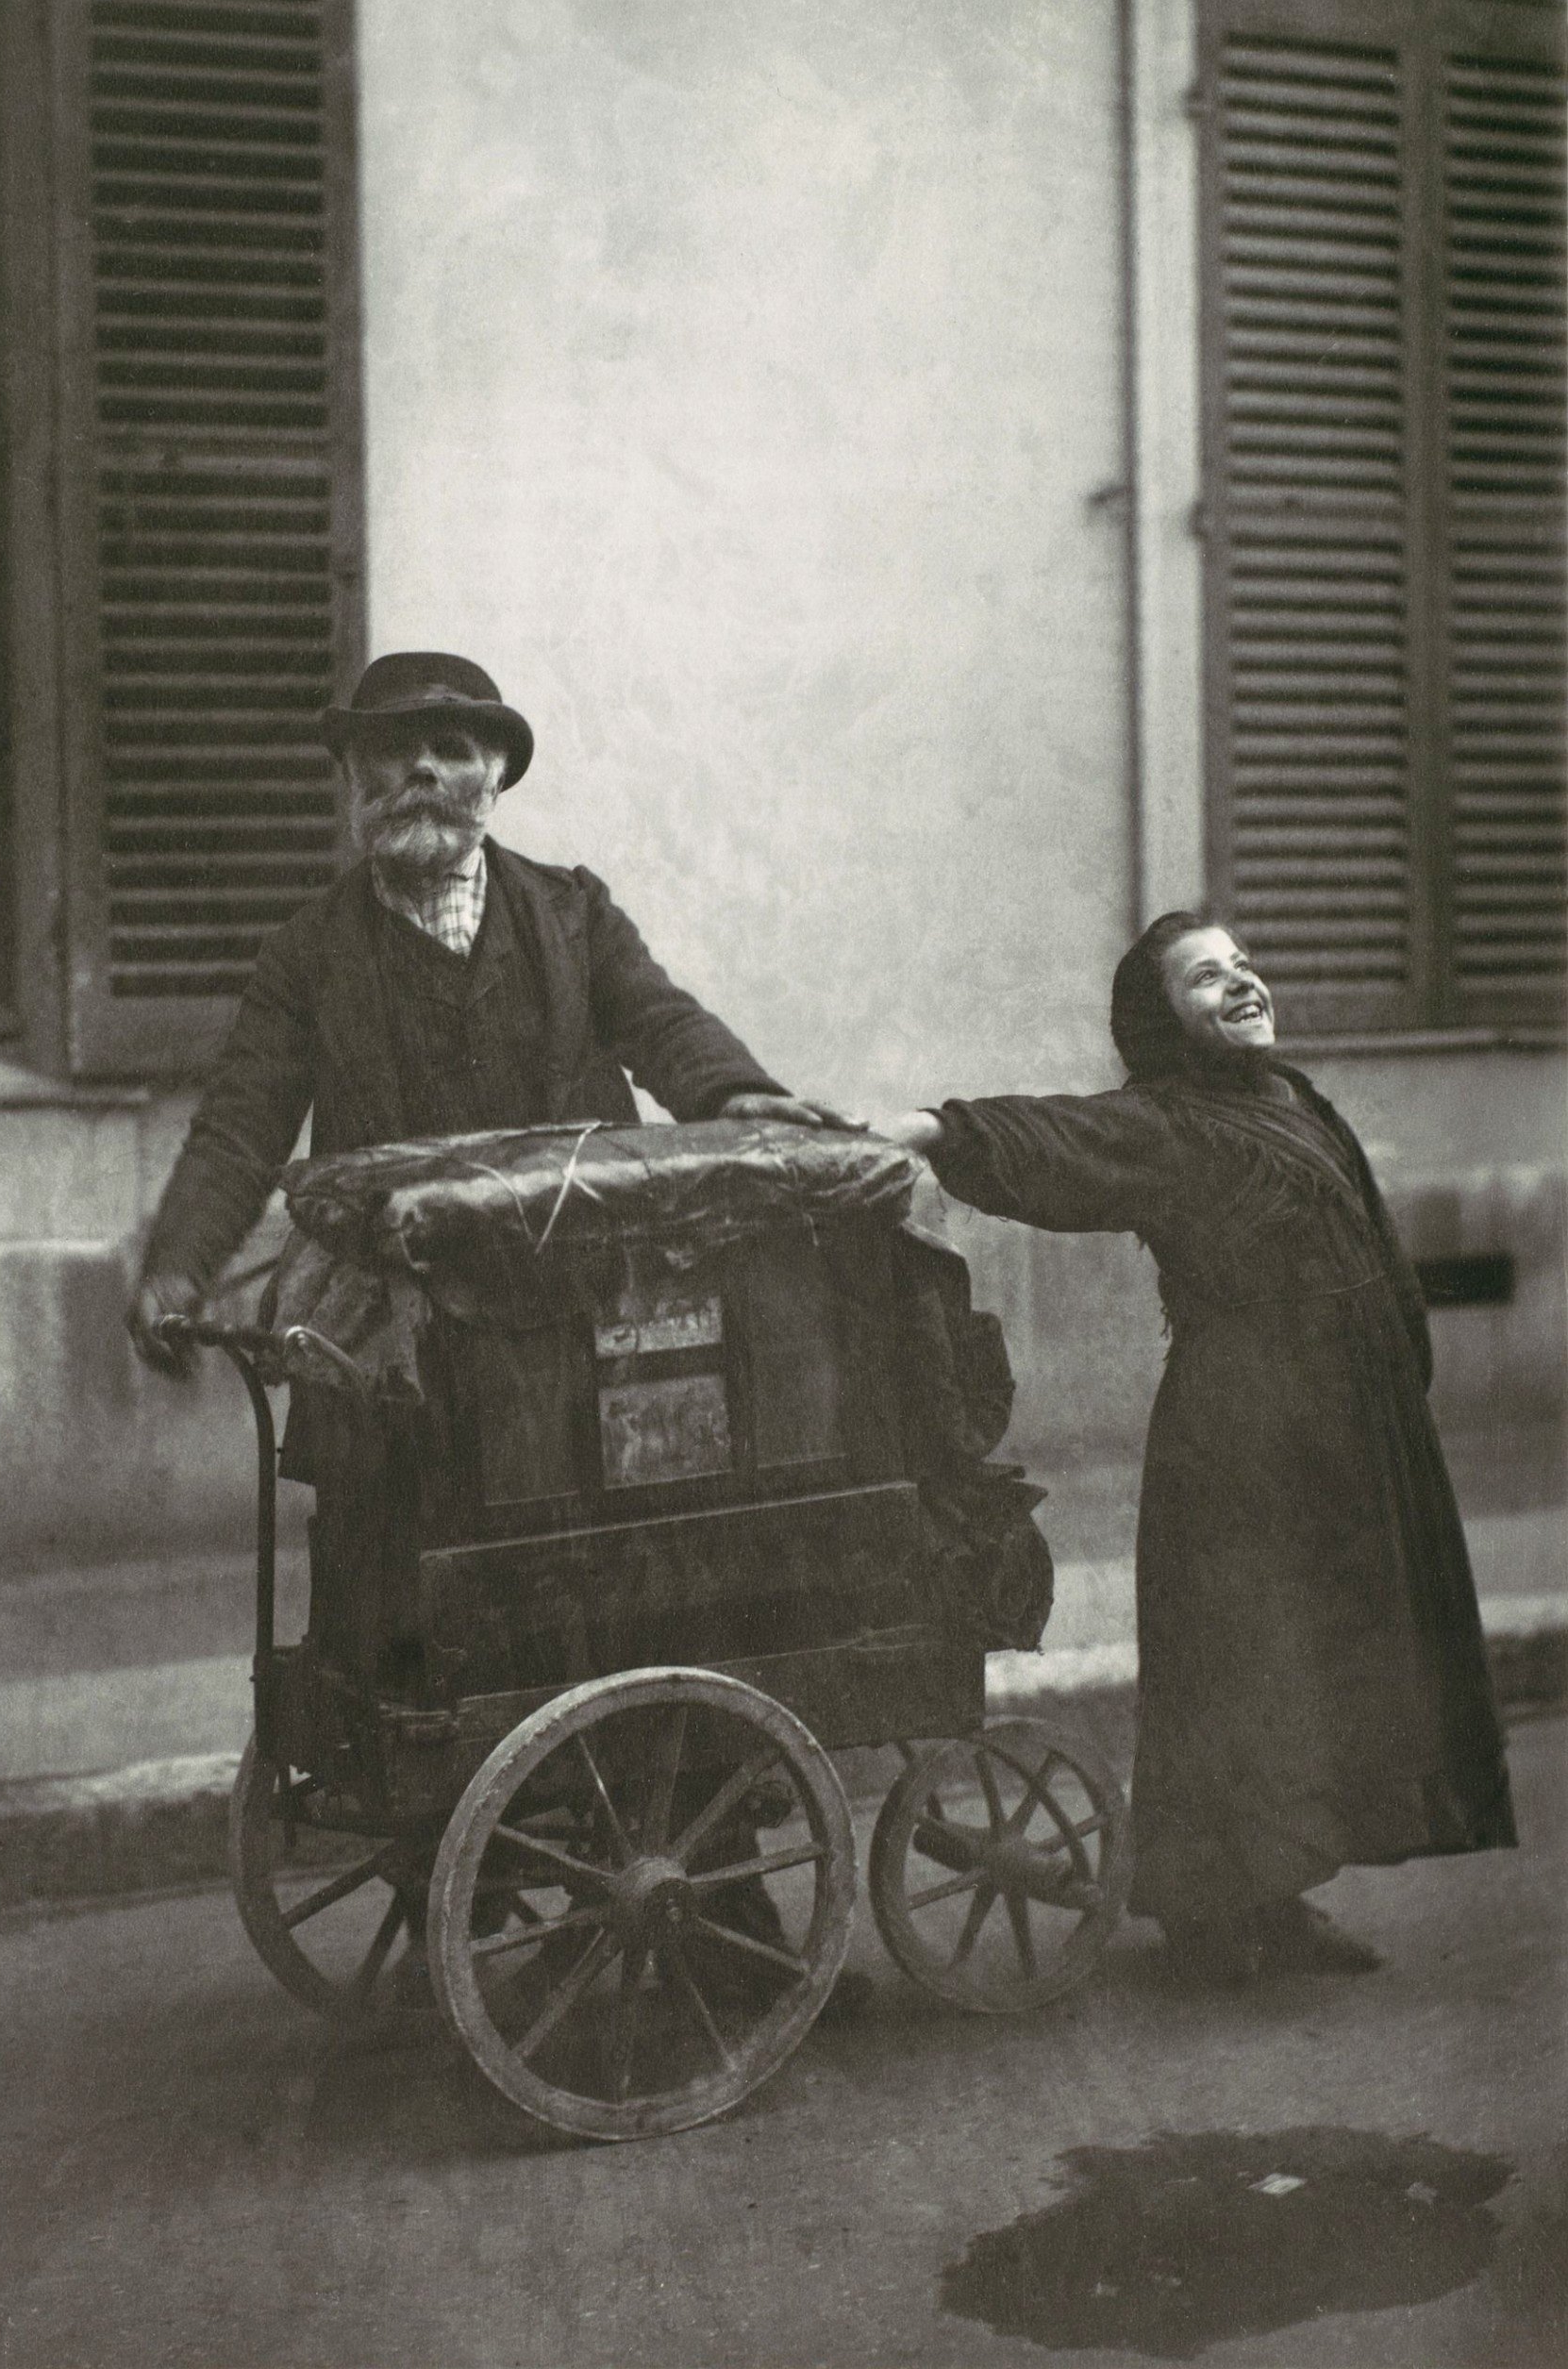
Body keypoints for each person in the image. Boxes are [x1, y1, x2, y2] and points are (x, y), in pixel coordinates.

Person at [879, 911, 1516, 1986]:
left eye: (1242, 967)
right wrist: (929, 1129)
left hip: (1344, 1433)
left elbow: (1369, 1235)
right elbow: (1056, 1137)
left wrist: (1397, 1376)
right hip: (1243, 1442)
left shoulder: (1294, 1100)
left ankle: (1281, 1895)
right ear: (1157, 1022)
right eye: (1203, 979)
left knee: (1314, 1663)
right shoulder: (1167, 1124)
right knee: (1243, 1668)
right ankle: (1212, 1918)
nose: (1240, 985)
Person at [128, 650, 856, 1368]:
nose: (423, 770)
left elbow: (660, 1021)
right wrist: (178, 1267)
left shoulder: (574, 916)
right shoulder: (305, 953)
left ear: (497, 776)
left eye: (451, 750)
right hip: (391, 1328)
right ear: (351, 771)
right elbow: (238, 1129)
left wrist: (739, 1093)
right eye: (392, 748)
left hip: (578, 1302)